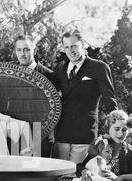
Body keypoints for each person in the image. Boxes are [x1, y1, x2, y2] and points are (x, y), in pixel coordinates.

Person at [51, 30, 118, 165]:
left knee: (76, 177)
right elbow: (50, 94)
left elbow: (109, 100)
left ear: (82, 45)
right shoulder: (60, 68)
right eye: (67, 47)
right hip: (61, 133)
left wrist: (117, 126)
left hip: (84, 133)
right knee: (58, 176)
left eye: (74, 46)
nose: (71, 51)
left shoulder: (99, 67)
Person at [13, 34, 55, 181]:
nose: (23, 54)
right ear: (15, 51)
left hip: (40, 134)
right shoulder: (9, 73)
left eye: (27, 50)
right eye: (19, 50)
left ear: (34, 50)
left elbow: (55, 107)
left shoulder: (48, 75)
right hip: (16, 136)